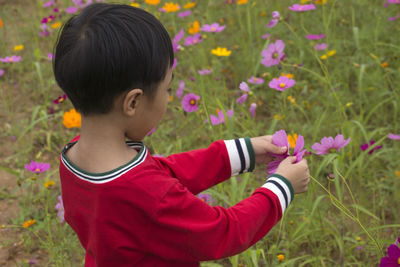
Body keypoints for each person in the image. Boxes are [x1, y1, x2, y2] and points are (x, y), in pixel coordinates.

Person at [53, 3, 310, 267]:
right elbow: (223, 233)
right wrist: (282, 187)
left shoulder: (74, 157)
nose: (169, 96)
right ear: (132, 103)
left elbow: (159, 174)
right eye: (168, 87)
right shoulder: (144, 192)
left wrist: (240, 152)